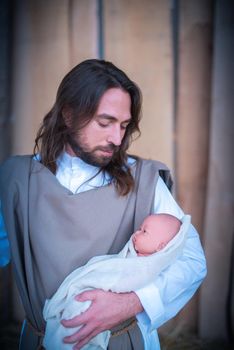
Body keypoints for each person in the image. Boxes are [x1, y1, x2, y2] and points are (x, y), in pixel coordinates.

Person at [0, 59, 207, 350]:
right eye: (105, 122)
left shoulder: (144, 181)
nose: (117, 138)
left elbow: (192, 261)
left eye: (124, 125)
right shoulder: (16, 180)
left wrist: (130, 303)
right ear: (68, 115)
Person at [43, 213, 190, 350]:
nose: (136, 233)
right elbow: (107, 267)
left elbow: (122, 279)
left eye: (144, 231)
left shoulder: (148, 267)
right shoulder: (132, 256)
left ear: (161, 246)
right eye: (139, 229)